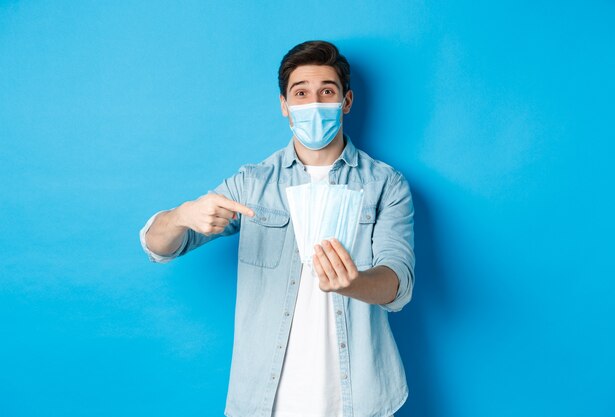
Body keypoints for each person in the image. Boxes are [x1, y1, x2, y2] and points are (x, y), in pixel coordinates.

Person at [139, 40, 414, 417]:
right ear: (284, 105)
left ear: (346, 102)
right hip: (264, 401)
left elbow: (398, 281)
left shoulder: (386, 184)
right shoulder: (253, 183)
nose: (314, 104)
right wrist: (182, 215)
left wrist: (353, 284)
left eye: (326, 92)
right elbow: (159, 246)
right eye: (301, 93)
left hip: (361, 399)